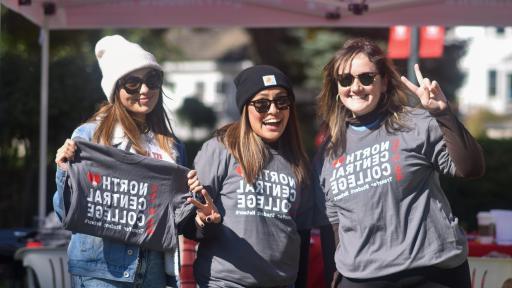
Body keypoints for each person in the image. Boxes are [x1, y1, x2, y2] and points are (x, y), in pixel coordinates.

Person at [314, 38, 485, 288]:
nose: (356, 87)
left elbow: (471, 168)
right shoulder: (328, 151)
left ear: (383, 82)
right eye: (346, 80)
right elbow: (335, 225)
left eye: (366, 78)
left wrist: (442, 113)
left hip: (431, 272)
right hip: (362, 278)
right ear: (337, 89)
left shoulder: (415, 123)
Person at [53, 34, 187, 288]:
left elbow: (174, 217)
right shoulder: (88, 137)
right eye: (132, 84)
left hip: (154, 271)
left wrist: (194, 201)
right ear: (116, 89)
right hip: (102, 271)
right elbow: (64, 213)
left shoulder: (172, 147)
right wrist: (63, 171)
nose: (145, 90)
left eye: (152, 80)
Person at [183, 65, 313, 287]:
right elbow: (186, 219)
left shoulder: (298, 162)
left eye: (282, 101)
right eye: (262, 103)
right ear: (245, 108)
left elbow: (302, 236)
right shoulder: (220, 149)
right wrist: (204, 222)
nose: (273, 110)